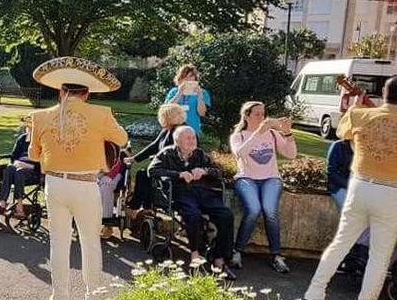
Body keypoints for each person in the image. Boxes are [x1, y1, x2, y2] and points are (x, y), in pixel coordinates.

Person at [28, 57, 128, 300]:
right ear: (86, 93)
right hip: (85, 184)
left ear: (61, 91)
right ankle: (93, 299)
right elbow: (122, 138)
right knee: (90, 242)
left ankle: (60, 297)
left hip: (55, 183)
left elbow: (34, 156)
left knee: (58, 242)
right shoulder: (101, 113)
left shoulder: (40, 116)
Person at [304, 76, 397, 300]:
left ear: (385, 94)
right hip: (391, 192)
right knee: (379, 255)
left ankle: (314, 293)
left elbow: (341, 132)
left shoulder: (361, 115)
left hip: (359, 185)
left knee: (341, 242)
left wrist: (357, 105)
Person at [148, 126, 237, 280]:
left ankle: (220, 259)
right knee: (193, 215)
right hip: (181, 193)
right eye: (187, 138)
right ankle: (194, 254)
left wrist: (205, 171)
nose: (192, 141)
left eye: (193, 138)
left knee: (226, 215)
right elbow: (152, 170)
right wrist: (179, 174)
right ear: (177, 141)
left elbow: (218, 172)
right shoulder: (167, 153)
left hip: (203, 192)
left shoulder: (200, 154)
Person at [229, 101, 297, 274]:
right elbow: (240, 154)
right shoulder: (239, 136)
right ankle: (237, 251)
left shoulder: (273, 134)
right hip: (246, 178)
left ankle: (276, 255)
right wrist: (258, 133)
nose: (262, 117)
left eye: (263, 113)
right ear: (247, 116)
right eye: (257, 114)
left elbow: (291, 154)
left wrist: (288, 132)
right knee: (253, 209)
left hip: (271, 178)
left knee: (269, 210)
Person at [127, 103, 186, 211]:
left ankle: (136, 206)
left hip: (174, 169)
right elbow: (154, 146)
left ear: (166, 117)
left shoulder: (181, 132)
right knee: (146, 173)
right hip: (166, 166)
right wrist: (134, 158)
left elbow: (176, 153)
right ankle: (145, 206)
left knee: (143, 174)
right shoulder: (167, 130)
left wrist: (157, 157)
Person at [0, 115, 39, 219]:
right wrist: (15, 163)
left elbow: (43, 161)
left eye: (31, 126)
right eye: (28, 126)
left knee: (19, 171)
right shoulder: (22, 138)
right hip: (18, 166)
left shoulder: (40, 141)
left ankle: (19, 206)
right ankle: (3, 202)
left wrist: (27, 165)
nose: (29, 128)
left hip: (32, 170)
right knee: (9, 168)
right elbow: (14, 156)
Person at [165, 64, 211, 136]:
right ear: (180, 79)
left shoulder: (203, 93)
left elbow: (202, 113)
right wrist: (179, 93)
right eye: (184, 77)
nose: (188, 79)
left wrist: (199, 96)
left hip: (193, 130)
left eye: (190, 76)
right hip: (174, 130)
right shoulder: (174, 91)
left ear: (195, 78)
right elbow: (167, 111)